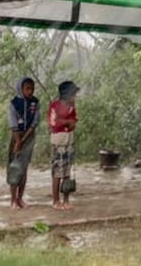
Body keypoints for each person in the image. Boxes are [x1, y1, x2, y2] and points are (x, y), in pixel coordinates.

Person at [7, 76, 39, 210]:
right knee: (15, 167)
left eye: (32, 89)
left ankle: (20, 198)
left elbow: (34, 122)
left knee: (24, 168)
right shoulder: (14, 103)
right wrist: (18, 141)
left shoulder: (35, 102)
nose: (30, 91)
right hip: (16, 136)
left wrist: (25, 139)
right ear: (21, 89)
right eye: (27, 89)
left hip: (29, 137)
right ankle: (13, 199)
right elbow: (13, 123)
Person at [48, 80, 80, 210]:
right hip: (59, 142)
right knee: (57, 172)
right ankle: (56, 200)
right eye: (73, 94)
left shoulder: (71, 105)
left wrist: (69, 122)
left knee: (67, 172)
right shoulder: (54, 106)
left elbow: (74, 119)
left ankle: (66, 199)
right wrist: (67, 122)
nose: (74, 96)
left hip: (69, 140)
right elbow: (53, 123)